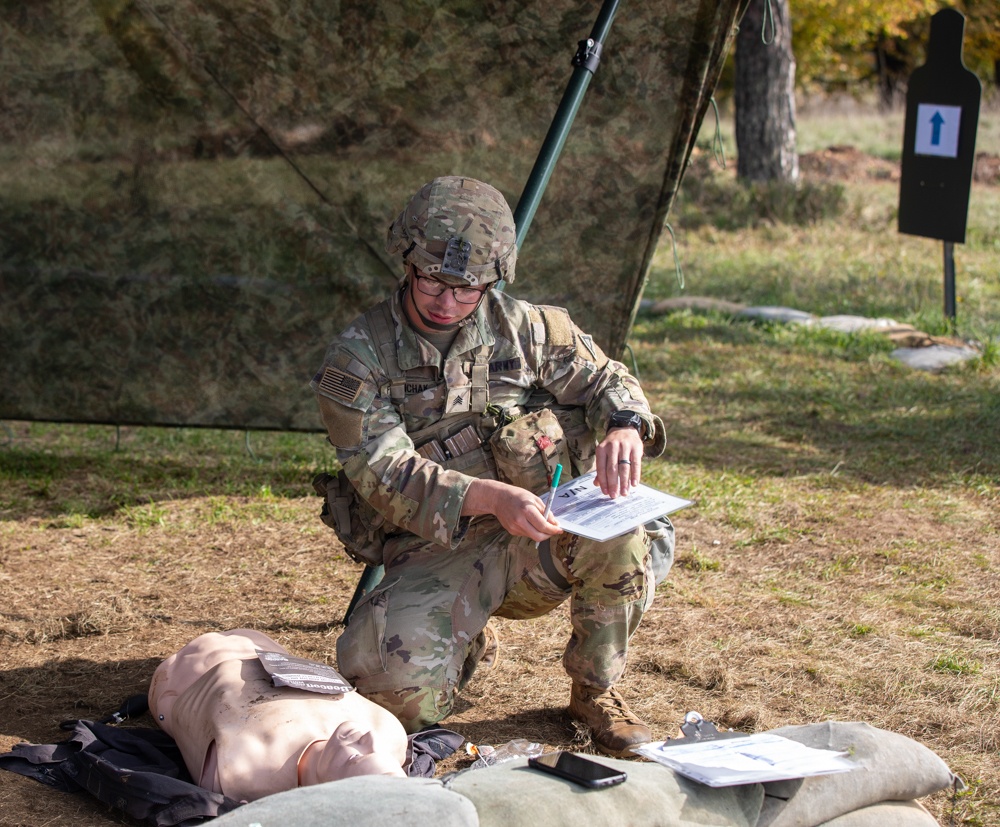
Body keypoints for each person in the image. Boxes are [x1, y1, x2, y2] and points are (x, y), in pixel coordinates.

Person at [311, 176, 668, 758]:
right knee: (392, 697)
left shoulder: (527, 327)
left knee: (622, 531)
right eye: (431, 279)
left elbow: (607, 377)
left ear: (493, 279)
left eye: (468, 287)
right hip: (437, 547)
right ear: (406, 260)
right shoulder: (358, 358)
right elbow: (382, 470)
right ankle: (466, 635)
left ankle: (595, 692)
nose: (446, 302)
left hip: (542, 540)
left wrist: (626, 423)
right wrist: (490, 498)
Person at [148, 629, 409, 802]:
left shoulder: (246, 768)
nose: (369, 740)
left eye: (354, 758)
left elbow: (186, 720)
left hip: (184, 673)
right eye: (381, 755)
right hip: (262, 647)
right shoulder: (388, 734)